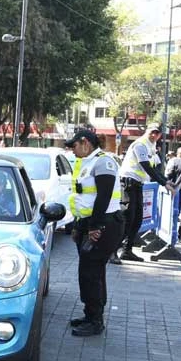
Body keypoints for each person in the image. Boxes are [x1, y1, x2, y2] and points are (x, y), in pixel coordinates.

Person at [63, 129, 124, 337]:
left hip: (104, 224)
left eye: (74, 146)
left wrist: (95, 227)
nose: (72, 151)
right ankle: (91, 314)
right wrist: (79, 227)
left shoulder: (102, 162)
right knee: (91, 273)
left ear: (85, 143)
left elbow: (103, 197)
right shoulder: (86, 163)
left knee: (91, 273)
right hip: (90, 223)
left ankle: (95, 320)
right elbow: (84, 199)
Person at [117, 125, 175, 262]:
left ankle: (127, 250)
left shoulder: (152, 147)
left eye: (157, 133)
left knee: (137, 220)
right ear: (147, 132)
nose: (154, 135)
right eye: (152, 132)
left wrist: (166, 180)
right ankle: (112, 251)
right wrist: (164, 183)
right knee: (128, 218)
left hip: (138, 184)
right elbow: (147, 167)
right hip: (128, 182)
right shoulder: (140, 144)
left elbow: (156, 168)